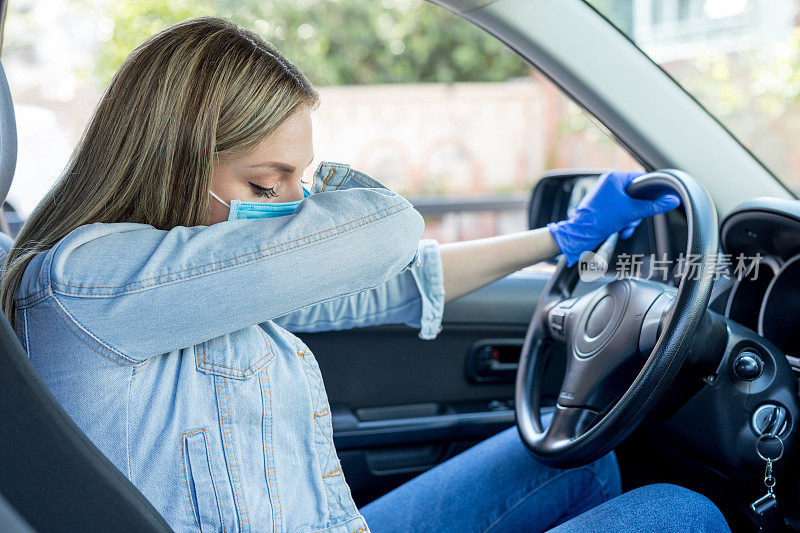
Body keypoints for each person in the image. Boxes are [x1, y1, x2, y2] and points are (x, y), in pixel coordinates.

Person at [0, 17, 729, 533]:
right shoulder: (90, 281)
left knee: (578, 462)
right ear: (178, 163)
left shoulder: (188, 280)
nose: (293, 208)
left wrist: (558, 240)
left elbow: (393, 279)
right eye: (267, 184)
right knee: (679, 514)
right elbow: (386, 228)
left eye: (302, 181)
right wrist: (329, 199)